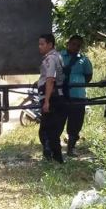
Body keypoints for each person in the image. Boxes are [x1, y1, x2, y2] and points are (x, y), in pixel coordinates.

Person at [60, 35, 93, 156]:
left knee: (76, 123)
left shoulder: (84, 60)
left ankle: (71, 148)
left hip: (78, 96)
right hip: (61, 95)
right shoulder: (59, 57)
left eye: (78, 45)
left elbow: (88, 76)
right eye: (73, 44)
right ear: (68, 43)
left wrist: (77, 82)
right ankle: (54, 147)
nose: (76, 47)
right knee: (58, 121)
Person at [37, 34, 67, 163]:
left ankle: (55, 160)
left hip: (52, 98)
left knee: (47, 132)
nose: (40, 47)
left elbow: (50, 80)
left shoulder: (50, 59)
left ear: (50, 45)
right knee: (51, 131)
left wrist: (47, 101)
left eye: (42, 44)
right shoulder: (58, 56)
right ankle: (55, 159)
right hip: (57, 96)